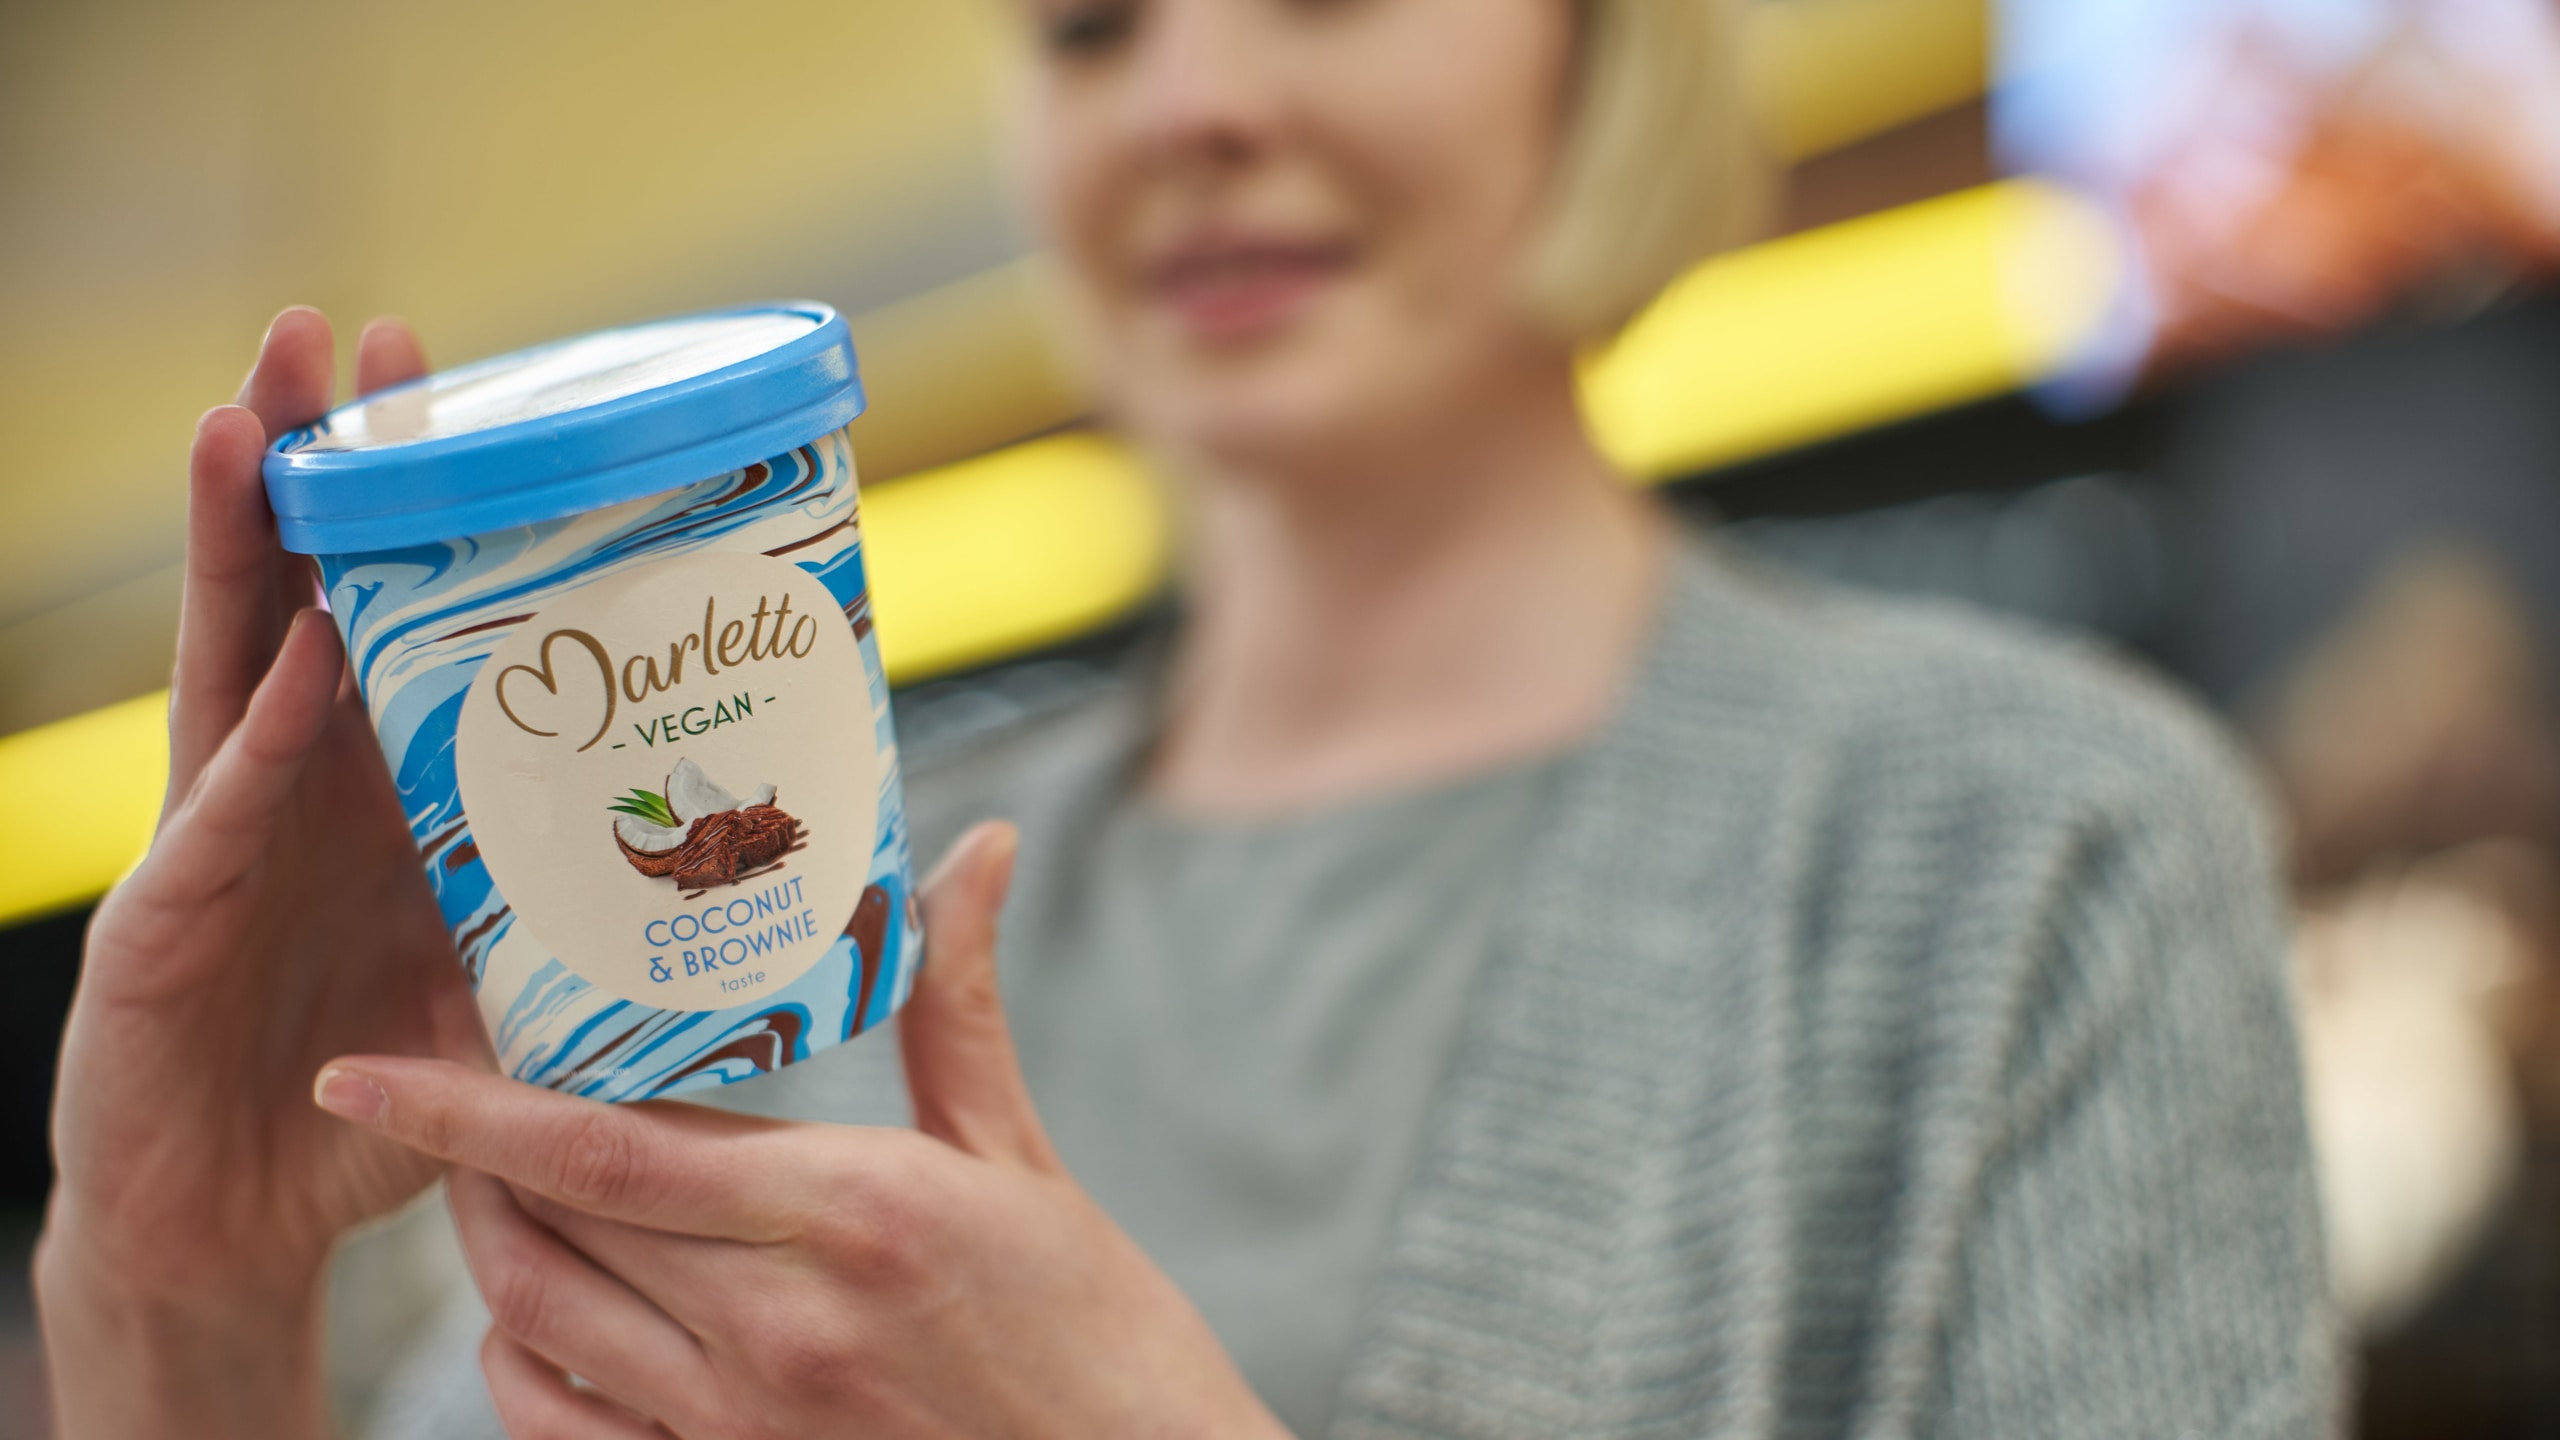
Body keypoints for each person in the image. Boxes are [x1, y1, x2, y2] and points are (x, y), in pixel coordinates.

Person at [36, 0, 2339, 1435]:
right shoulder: (794, 913)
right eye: (1090, 24)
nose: (1197, 99)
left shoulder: (2036, 851)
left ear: (1594, 47)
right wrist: (178, 1296)